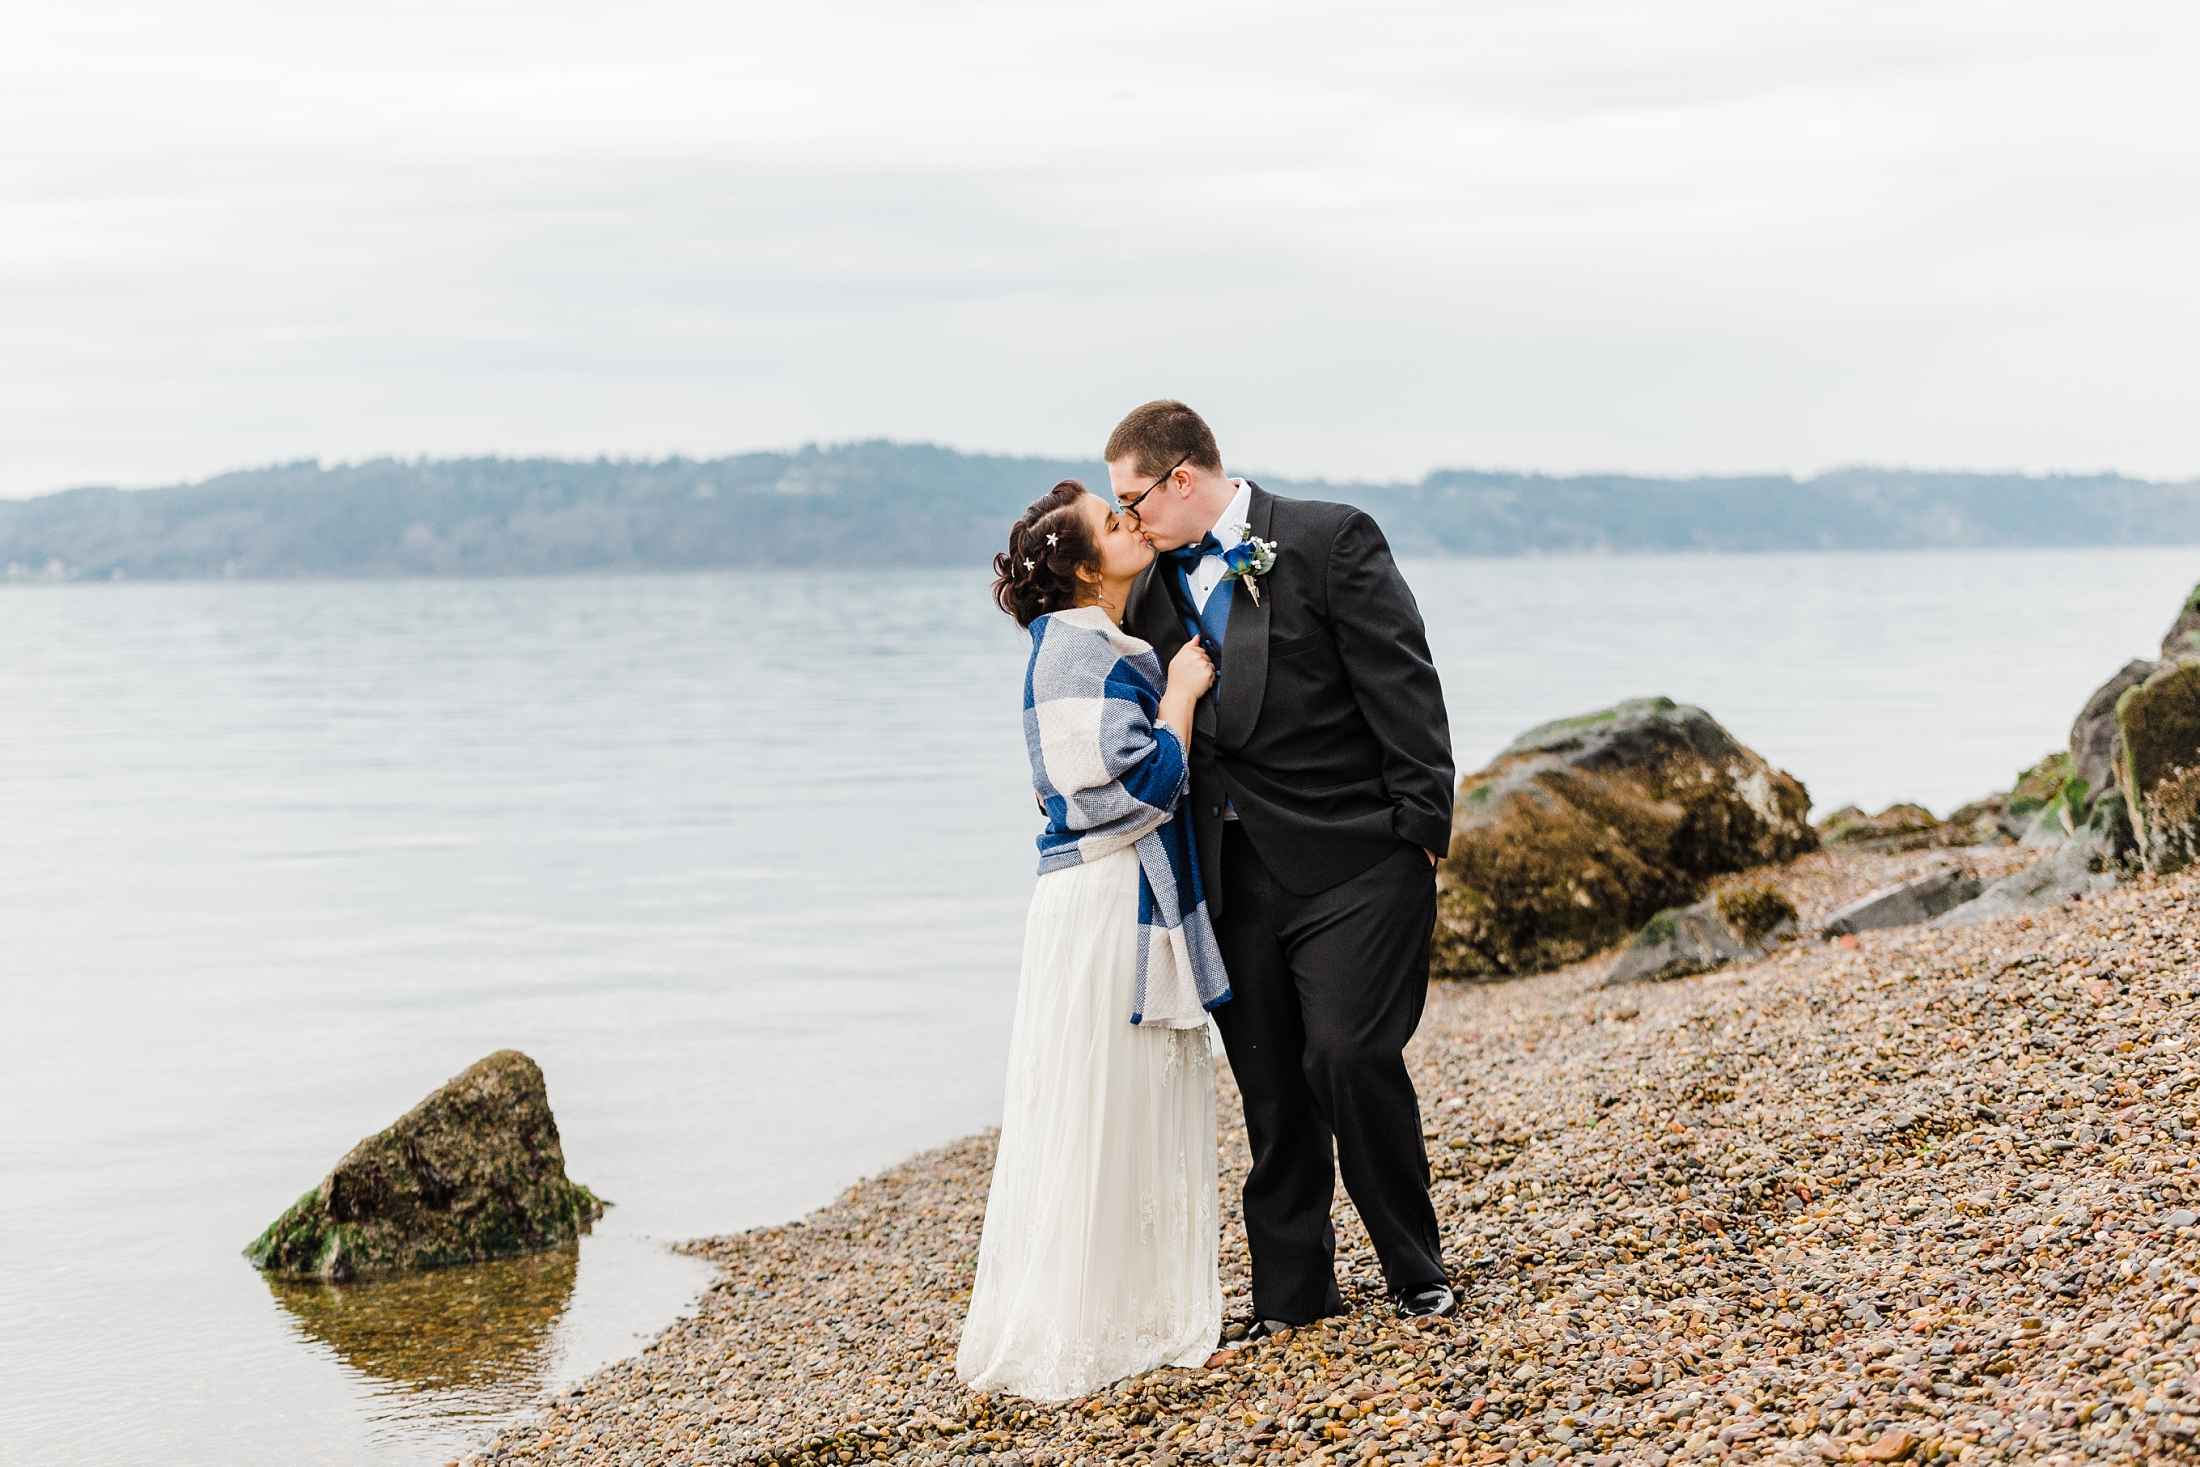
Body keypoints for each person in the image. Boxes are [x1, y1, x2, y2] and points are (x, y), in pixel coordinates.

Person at [1106, 400, 1458, 1338]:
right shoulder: (1146, 587)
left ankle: (1413, 1266)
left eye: (1134, 500)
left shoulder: (1327, 539)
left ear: (1183, 478)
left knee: (1346, 1054)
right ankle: (1292, 1298)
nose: (1129, 521)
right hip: (1227, 875)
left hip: (1357, 859)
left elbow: (1404, 681)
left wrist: (1423, 829)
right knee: (1270, 1091)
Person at [956, 480, 1231, 1401]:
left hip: (1111, 893)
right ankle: (1093, 1318)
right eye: (1114, 524)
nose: (1132, 524)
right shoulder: (1071, 654)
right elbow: (1134, 785)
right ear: (1083, 568)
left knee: (1127, 1094)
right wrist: (1184, 695)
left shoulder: (1100, 638)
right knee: (1103, 1095)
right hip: (1105, 897)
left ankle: (1135, 1303)